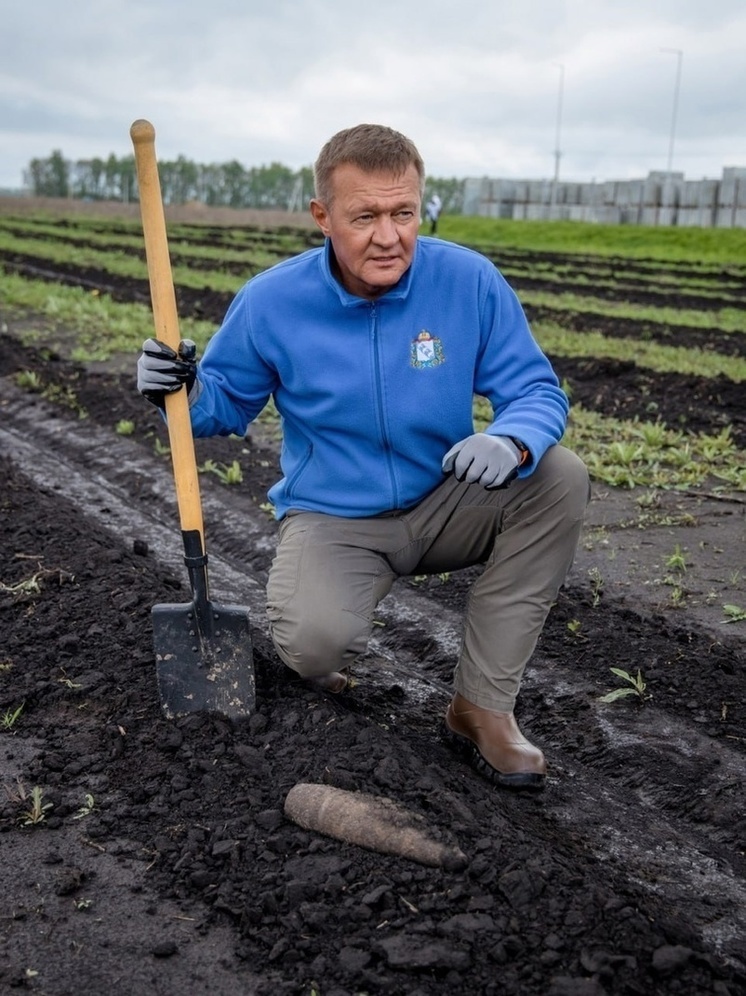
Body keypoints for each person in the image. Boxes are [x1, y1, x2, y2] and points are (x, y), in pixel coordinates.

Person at [137, 123, 589, 792]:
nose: (389, 235)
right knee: (313, 642)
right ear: (323, 217)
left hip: (446, 498)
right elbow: (221, 407)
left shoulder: (466, 281)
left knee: (558, 475)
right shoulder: (273, 301)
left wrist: (513, 438)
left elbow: (533, 388)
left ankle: (481, 708)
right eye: (366, 216)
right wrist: (179, 386)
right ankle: (317, 641)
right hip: (335, 516)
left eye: (403, 212)